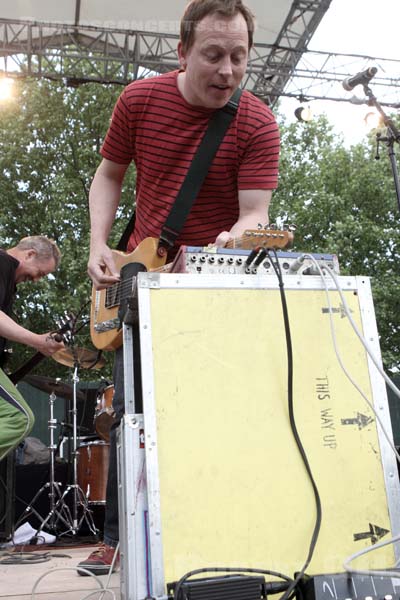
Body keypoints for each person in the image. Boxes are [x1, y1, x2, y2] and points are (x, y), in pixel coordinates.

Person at [79, 0, 280, 575]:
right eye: (213, 55)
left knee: (215, 407)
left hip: (213, 286)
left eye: (240, 57)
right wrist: (99, 244)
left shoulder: (257, 122)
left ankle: (213, 529)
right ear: (181, 51)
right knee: (128, 412)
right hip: (138, 278)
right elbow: (110, 173)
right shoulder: (139, 100)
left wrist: (227, 242)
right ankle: (118, 538)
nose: (227, 70)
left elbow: (254, 215)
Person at [0, 235, 64, 462]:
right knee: (19, 417)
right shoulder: (3, 263)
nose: (37, 280)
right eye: (41, 273)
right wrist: (37, 340)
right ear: (30, 254)